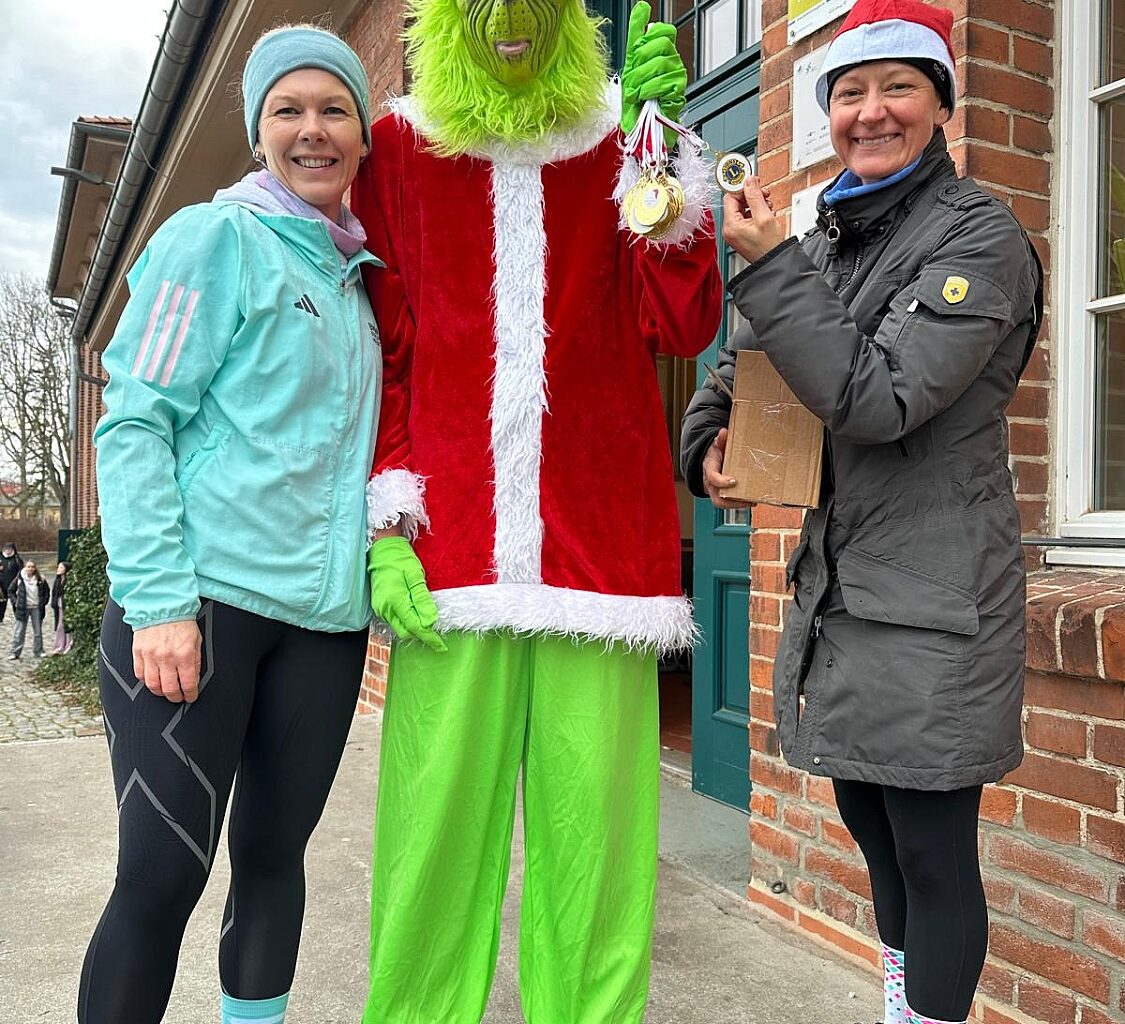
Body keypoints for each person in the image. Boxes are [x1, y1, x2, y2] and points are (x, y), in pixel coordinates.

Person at [351, 1, 722, 1020]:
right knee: (431, 841)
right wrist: (388, 520)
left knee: (597, 850)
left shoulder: (615, 138)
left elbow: (681, 317)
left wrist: (659, 155)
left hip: (598, 552)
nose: (508, 22)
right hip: (451, 549)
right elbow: (379, 346)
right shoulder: (398, 144)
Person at [681, 3, 1042, 1023]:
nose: (870, 112)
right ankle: (903, 999)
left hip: (936, 601)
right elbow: (739, 368)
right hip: (843, 591)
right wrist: (708, 446)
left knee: (932, 852)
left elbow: (877, 399)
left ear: (940, 104)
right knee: (869, 820)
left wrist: (772, 265)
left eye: (898, 87)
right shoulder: (826, 241)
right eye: (849, 92)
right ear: (827, 111)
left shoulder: (979, 235)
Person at [77, 26, 382, 1024]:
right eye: (288, 111)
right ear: (259, 135)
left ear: (363, 133)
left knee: (271, 863)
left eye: (334, 109)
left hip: (323, 626)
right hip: (200, 610)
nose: (313, 130)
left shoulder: (353, 279)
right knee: (162, 874)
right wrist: (160, 600)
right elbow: (132, 419)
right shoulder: (214, 239)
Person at [9, 559, 49, 659]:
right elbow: (10, 590)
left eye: (32, 567)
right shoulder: (19, 578)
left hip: (36, 608)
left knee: (38, 631)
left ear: (35, 568)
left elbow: (46, 592)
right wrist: (15, 602)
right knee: (19, 631)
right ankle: (15, 652)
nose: (30, 569)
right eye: (28, 567)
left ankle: (38, 651)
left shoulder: (40, 579)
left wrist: (43, 602)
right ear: (25, 568)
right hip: (23, 607)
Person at [50, 560, 73, 655]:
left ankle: (68, 645)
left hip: (66, 605)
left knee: (67, 625)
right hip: (59, 605)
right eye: (58, 567)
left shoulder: (69, 581)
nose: (59, 569)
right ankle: (59, 645)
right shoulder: (58, 580)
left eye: (61, 568)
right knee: (60, 626)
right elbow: (54, 593)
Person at [0, 541, 23, 623]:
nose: (8, 551)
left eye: (10, 549)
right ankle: (0, 617)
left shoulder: (17, 559)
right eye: (6, 549)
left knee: (15, 602)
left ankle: (18, 617)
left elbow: (21, 571)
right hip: (1, 585)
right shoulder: (0, 558)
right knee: (2, 603)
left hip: (13, 584)